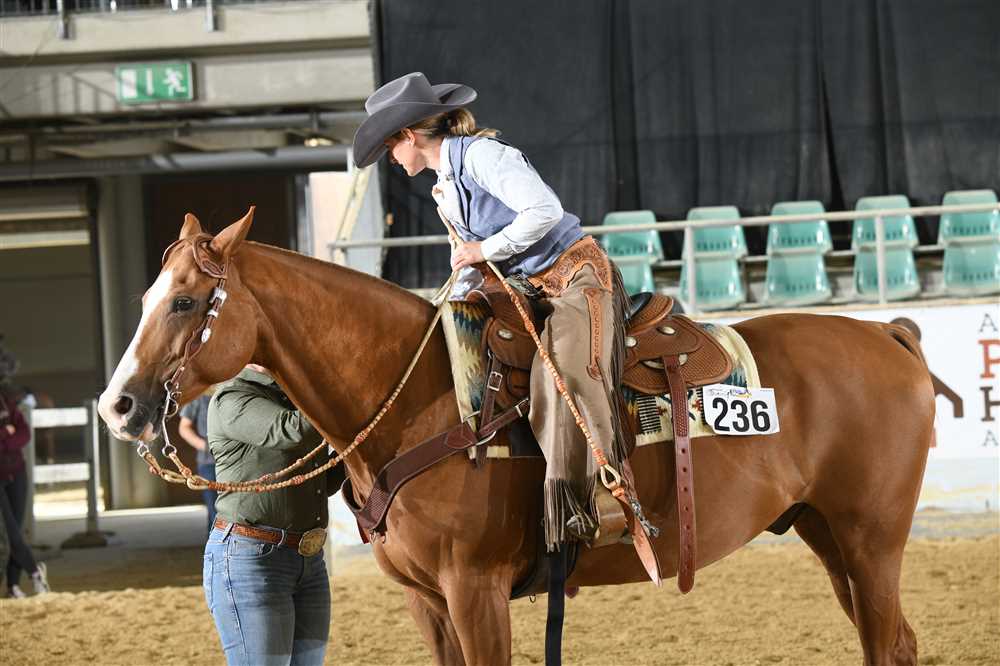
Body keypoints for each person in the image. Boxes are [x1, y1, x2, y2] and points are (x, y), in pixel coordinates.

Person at [352, 72, 633, 552]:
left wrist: (485, 249)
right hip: (519, 289)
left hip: (574, 276)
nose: (391, 159)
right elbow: (465, 263)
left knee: (565, 374)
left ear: (409, 136)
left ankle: (601, 494)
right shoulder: (444, 188)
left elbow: (544, 211)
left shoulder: (483, 156)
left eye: (390, 147)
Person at [203, 364, 346, 666]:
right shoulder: (232, 397)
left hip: (308, 561)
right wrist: (346, 389)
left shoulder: (296, 397)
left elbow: (322, 483)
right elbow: (291, 431)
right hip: (251, 560)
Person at [0, 341, 50, 598]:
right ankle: (34, 572)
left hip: (16, 472)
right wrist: (7, 435)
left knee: (16, 531)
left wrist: (6, 439)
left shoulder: (6, 401)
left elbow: (24, 432)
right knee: (11, 533)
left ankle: (13, 585)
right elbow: (13, 434)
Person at [177, 392, 216, 533]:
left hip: (237, 462)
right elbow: (184, 427)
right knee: (214, 512)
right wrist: (205, 446)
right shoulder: (199, 396)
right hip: (209, 463)